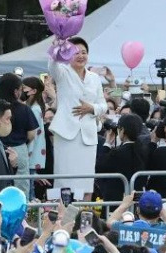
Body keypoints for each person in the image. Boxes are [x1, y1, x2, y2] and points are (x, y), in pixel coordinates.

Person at [48, 37, 107, 200]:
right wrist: (56, 46)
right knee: (64, 182)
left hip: (88, 135)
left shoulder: (94, 78)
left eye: (84, 52)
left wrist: (92, 108)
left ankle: (83, 217)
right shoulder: (63, 72)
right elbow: (51, 65)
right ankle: (61, 219)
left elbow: (103, 104)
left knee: (86, 183)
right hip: (66, 134)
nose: (80, 56)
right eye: (75, 52)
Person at [0, 73, 38, 195]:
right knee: (20, 190)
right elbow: (32, 133)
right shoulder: (24, 109)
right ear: (15, 91)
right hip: (19, 148)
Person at [96, 113, 147, 203]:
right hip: (137, 199)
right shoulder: (144, 150)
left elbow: (99, 167)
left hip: (117, 200)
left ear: (122, 130)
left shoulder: (117, 153)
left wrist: (107, 144)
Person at [21, 76, 47, 199]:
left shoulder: (34, 109)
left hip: (31, 153)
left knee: (29, 189)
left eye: (24, 88)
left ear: (33, 91)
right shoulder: (32, 108)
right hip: (31, 153)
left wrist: (26, 152)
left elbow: (33, 134)